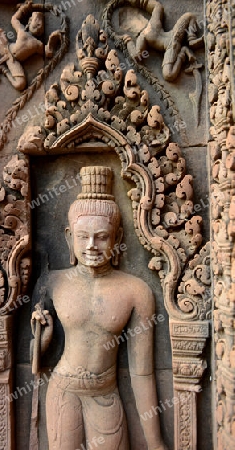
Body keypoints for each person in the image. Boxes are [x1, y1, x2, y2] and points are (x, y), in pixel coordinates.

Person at [31, 166, 167, 450]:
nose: (91, 246)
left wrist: (155, 442)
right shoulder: (51, 284)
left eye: (102, 237)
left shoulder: (136, 291)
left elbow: (142, 374)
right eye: (83, 237)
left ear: (117, 238)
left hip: (106, 393)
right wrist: (40, 345)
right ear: (69, 237)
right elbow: (35, 365)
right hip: (63, 391)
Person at [0, 1, 61, 90]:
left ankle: (4, 70)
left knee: (20, 84)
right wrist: (23, 9)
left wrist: (53, 38)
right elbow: (14, 19)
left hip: (13, 61)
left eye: (40, 25)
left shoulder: (37, 44)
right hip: (6, 47)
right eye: (36, 22)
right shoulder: (21, 29)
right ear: (29, 22)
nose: (38, 26)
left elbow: (48, 52)